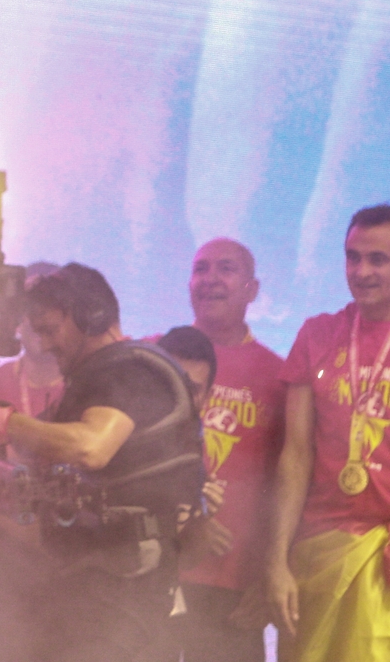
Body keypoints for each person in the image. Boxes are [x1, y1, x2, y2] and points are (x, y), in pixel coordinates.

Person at [0, 263, 203, 662]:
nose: (44, 345)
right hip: (85, 586)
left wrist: (4, 422)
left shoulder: (131, 371)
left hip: (120, 593)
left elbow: (90, 447)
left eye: (50, 330)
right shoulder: (97, 379)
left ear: (91, 316)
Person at [266, 205, 390, 662]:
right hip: (317, 555)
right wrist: (276, 561)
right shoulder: (319, 334)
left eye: (379, 259)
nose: (362, 271)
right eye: (352, 257)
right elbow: (295, 455)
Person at [168, 239, 286, 662]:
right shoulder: (152, 356)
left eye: (226, 268)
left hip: (234, 587)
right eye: (201, 269)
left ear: (253, 289)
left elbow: (289, 483)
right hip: (154, 574)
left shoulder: (279, 374)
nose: (211, 279)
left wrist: (271, 573)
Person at [0, 272, 65, 662]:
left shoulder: (86, 387)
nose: (38, 324)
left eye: (49, 315)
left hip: (65, 556)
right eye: (30, 311)